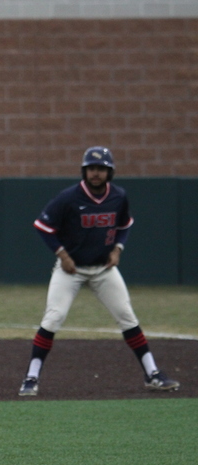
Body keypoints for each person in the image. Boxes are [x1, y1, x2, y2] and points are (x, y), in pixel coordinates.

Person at [18, 146, 180, 396]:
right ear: (84, 171)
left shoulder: (118, 196)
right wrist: (62, 254)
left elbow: (125, 224)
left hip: (103, 268)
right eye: (92, 168)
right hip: (71, 270)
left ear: (109, 172)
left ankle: (153, 374)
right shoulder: (69, 197)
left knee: (127, 317)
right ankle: (31, 377)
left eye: (101, 169)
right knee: (53, 318)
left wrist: (118, 249)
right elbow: (42, 226)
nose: (96, 173)